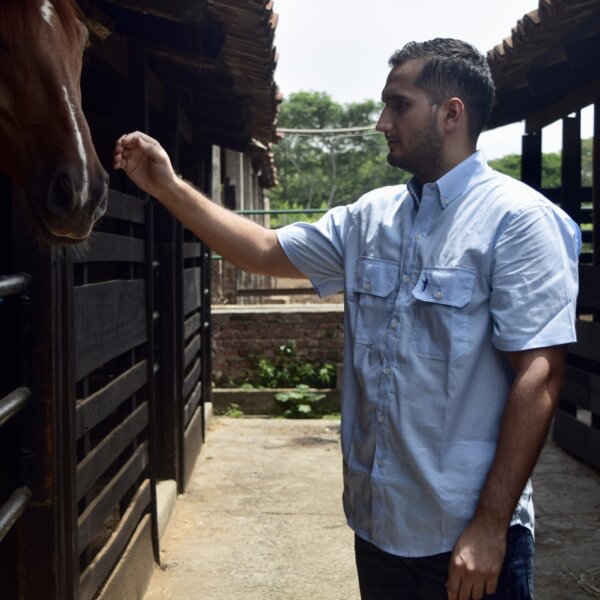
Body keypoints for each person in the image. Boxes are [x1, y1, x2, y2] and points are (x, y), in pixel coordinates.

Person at [113, 38, 580, 600]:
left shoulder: (519, 222)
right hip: (378, 526)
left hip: (464, 538)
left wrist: (488, 525)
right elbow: (263, 249)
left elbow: (540, 378)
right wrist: (165, 185)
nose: (383, 122)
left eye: (398, 104)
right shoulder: (370, 218)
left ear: (450, 113)